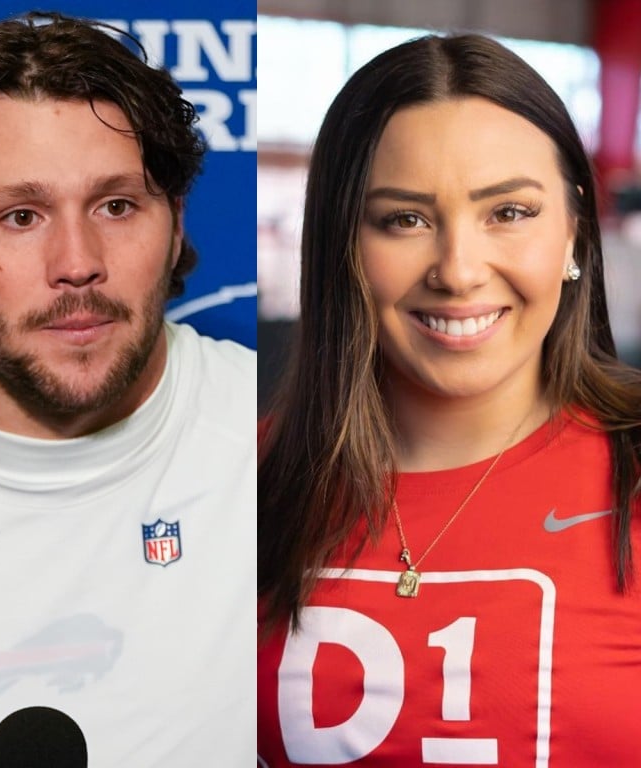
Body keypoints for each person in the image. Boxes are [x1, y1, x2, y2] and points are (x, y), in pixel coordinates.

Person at [0, 12, 254, 766]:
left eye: (116, 206)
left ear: (174, 224)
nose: (76, 262)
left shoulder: (281, 442)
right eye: (21, 216)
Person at [258, 33, 641, 767]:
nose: (459, 271)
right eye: (405, 219)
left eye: (509, 213)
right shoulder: (244, 482)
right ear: (344, 246)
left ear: (573, 231)